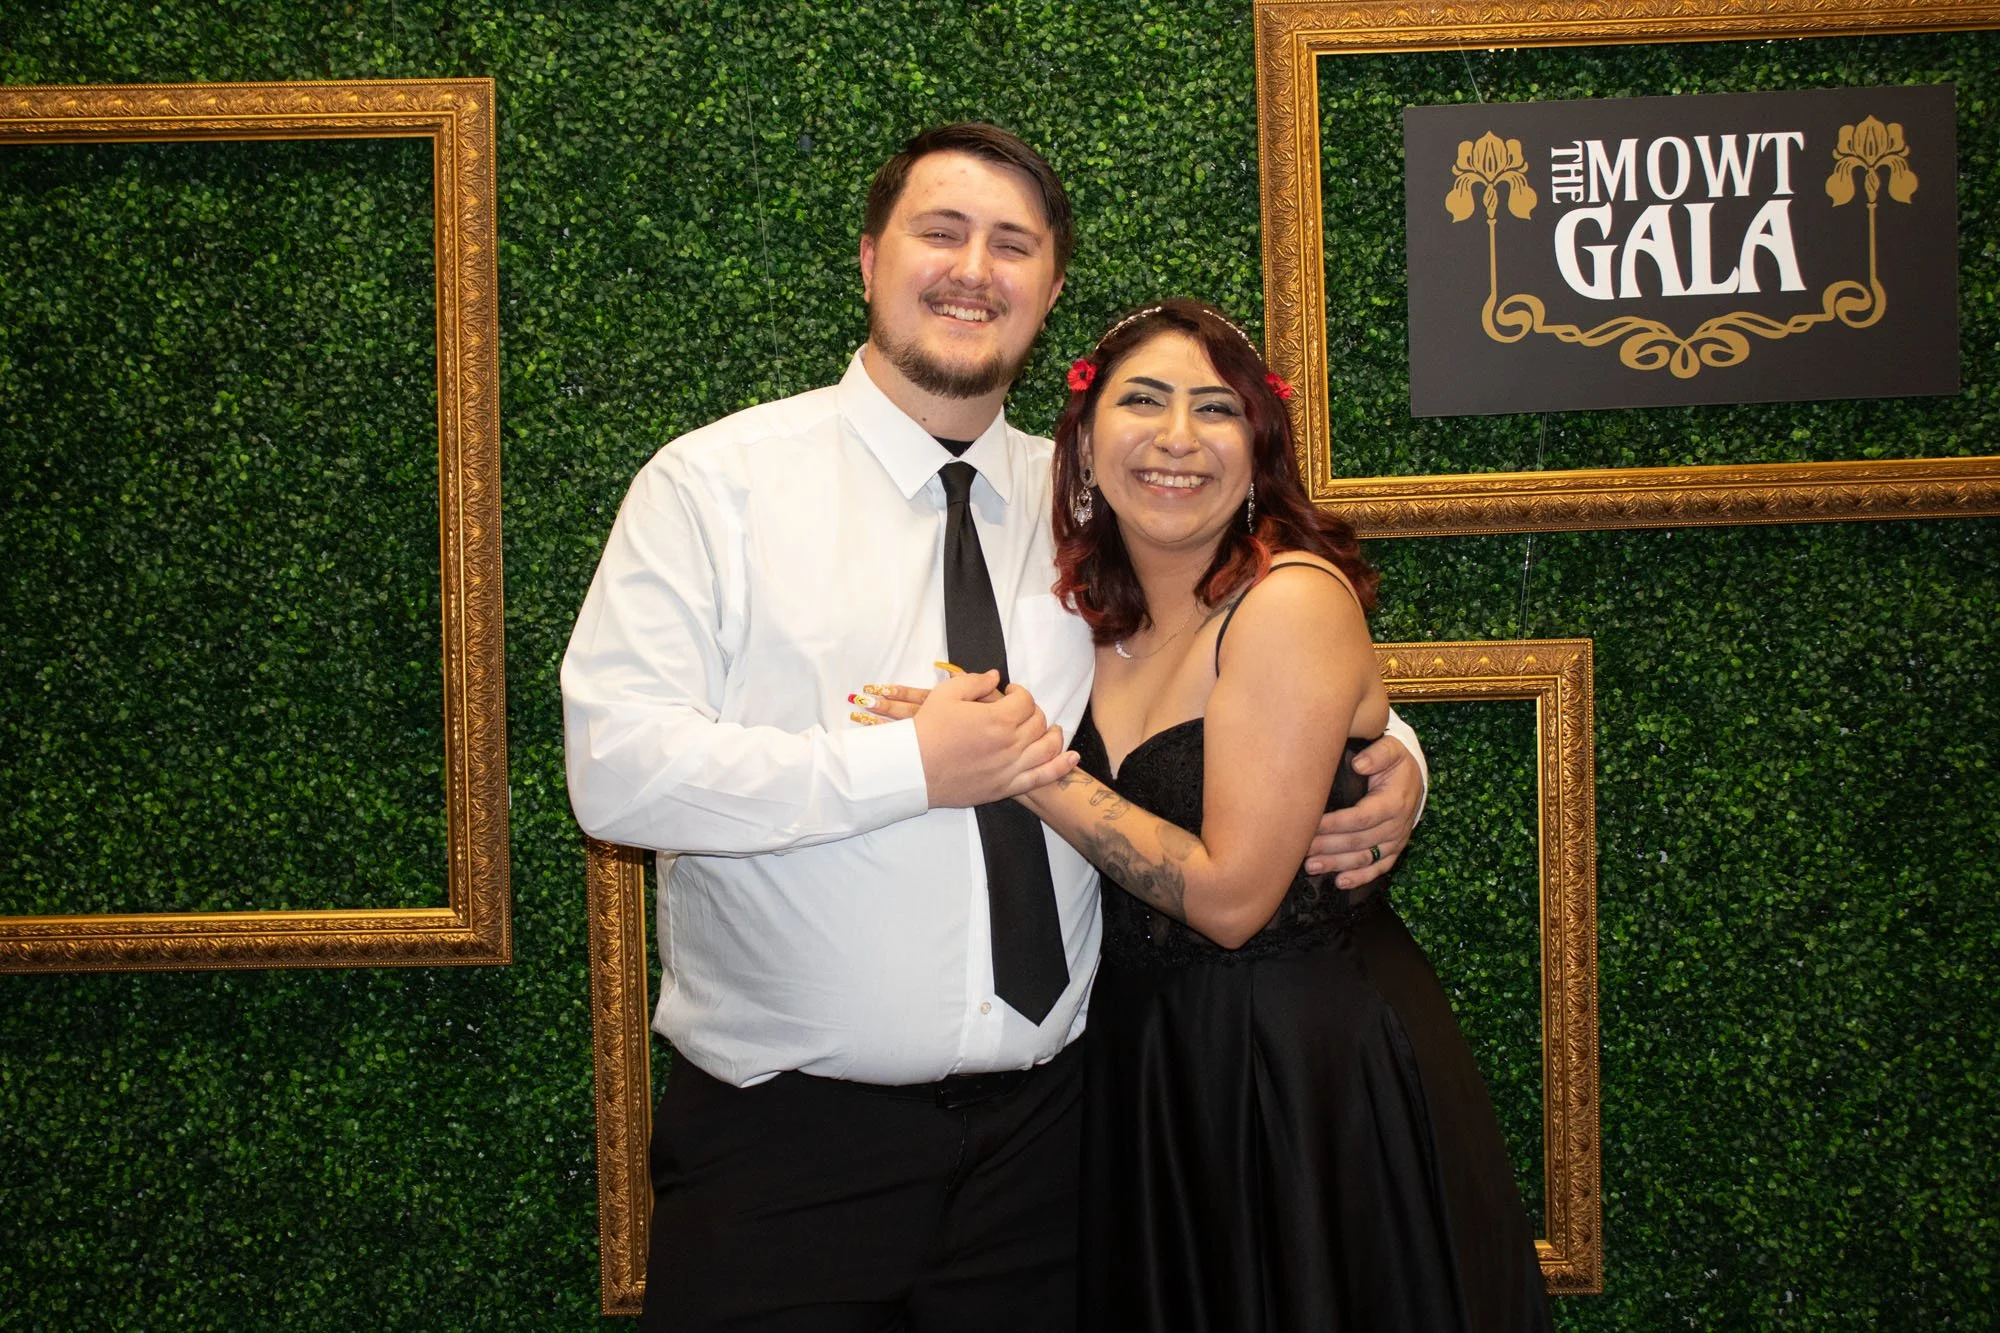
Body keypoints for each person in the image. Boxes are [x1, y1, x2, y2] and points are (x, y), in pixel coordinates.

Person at [562, 126, 1427, 1331]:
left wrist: (1385, 762)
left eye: (1011, 245)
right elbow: (616, 771)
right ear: (870, 259)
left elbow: (1237, 654)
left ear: (1050, 289)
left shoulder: (1096, 494)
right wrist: (905, 765)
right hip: (788, 1153)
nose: (974, 268)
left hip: (1059, 1145)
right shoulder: (715, 488)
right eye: (942, 232)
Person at [867, 298, 1551, 1330]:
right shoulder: (1086, 621)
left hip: (1303, 1073)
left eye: (1216, 409)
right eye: (1143, 402)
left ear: (1257, 451)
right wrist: (1399, 756)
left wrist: (1021, 762)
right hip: (1142, 1068)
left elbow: (1232, 899)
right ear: (1083, 450)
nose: (1177, 437)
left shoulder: (1290, 599)